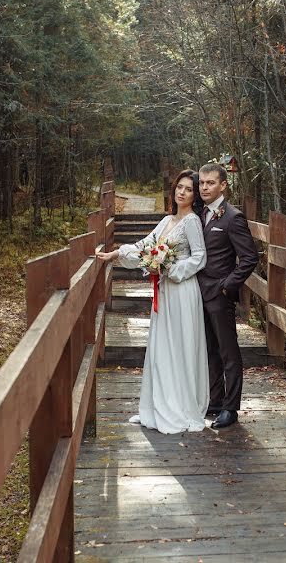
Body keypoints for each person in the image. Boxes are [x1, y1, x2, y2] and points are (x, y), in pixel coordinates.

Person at [96, 170, 209, 434]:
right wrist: (116, 253)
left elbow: (199, 257)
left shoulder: (191, 222)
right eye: (179, 187)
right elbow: (145, 246)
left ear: (195, 196)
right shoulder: (167, 220)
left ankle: (180, 406)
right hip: (165, 291)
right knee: (162, 345)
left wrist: (171, 268)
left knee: (179, 345)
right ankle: (155, 406)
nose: (182, 192)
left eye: (188, 189)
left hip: (182, 290)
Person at [196, 163, 259, 429]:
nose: (204, 188)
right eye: (202, 183)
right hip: (199, 293)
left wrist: (227, 285)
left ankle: (231, 408)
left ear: (223, 185)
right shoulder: (200, 215)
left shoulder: (233, 217)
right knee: (209, 350)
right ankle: (216, 400)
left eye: (210, 183)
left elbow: (249, 257)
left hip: (220, 295)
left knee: (228, 351)